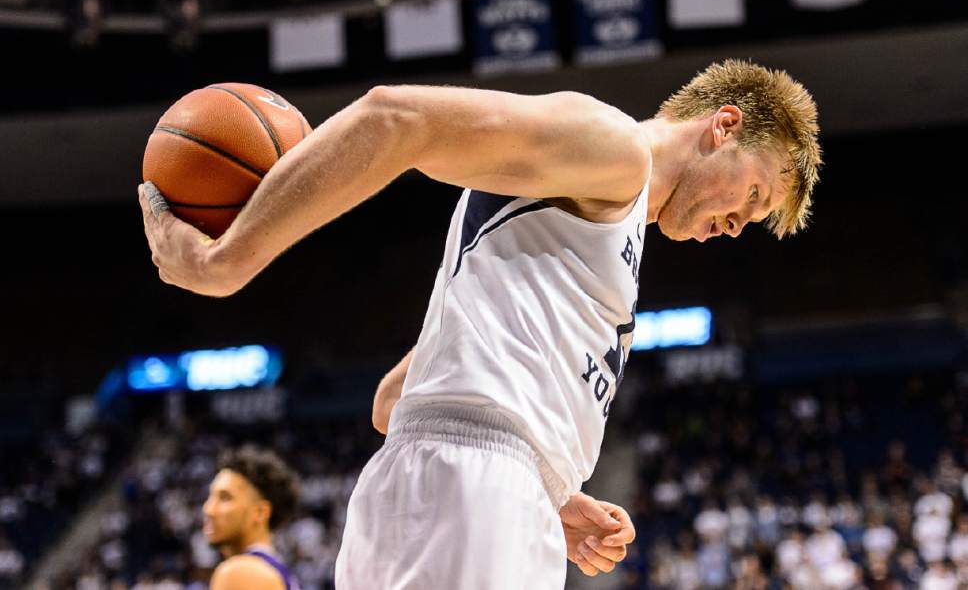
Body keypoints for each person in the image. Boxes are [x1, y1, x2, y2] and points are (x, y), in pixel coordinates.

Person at [139, 59, 822, 589]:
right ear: (723, 125)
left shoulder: (596, 228)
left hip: (454, 482)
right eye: (753, 195)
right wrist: (228, 261)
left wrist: (552, 485)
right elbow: (396, 115)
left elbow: (390, 402)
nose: (737, 225)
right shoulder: (616, 150)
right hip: (473, 491)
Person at [202, 446, 301, 590]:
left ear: (260, 512)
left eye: (225, 498)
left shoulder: (241, 573)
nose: (208, 510)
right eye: (210, 496)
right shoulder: (275, 571)